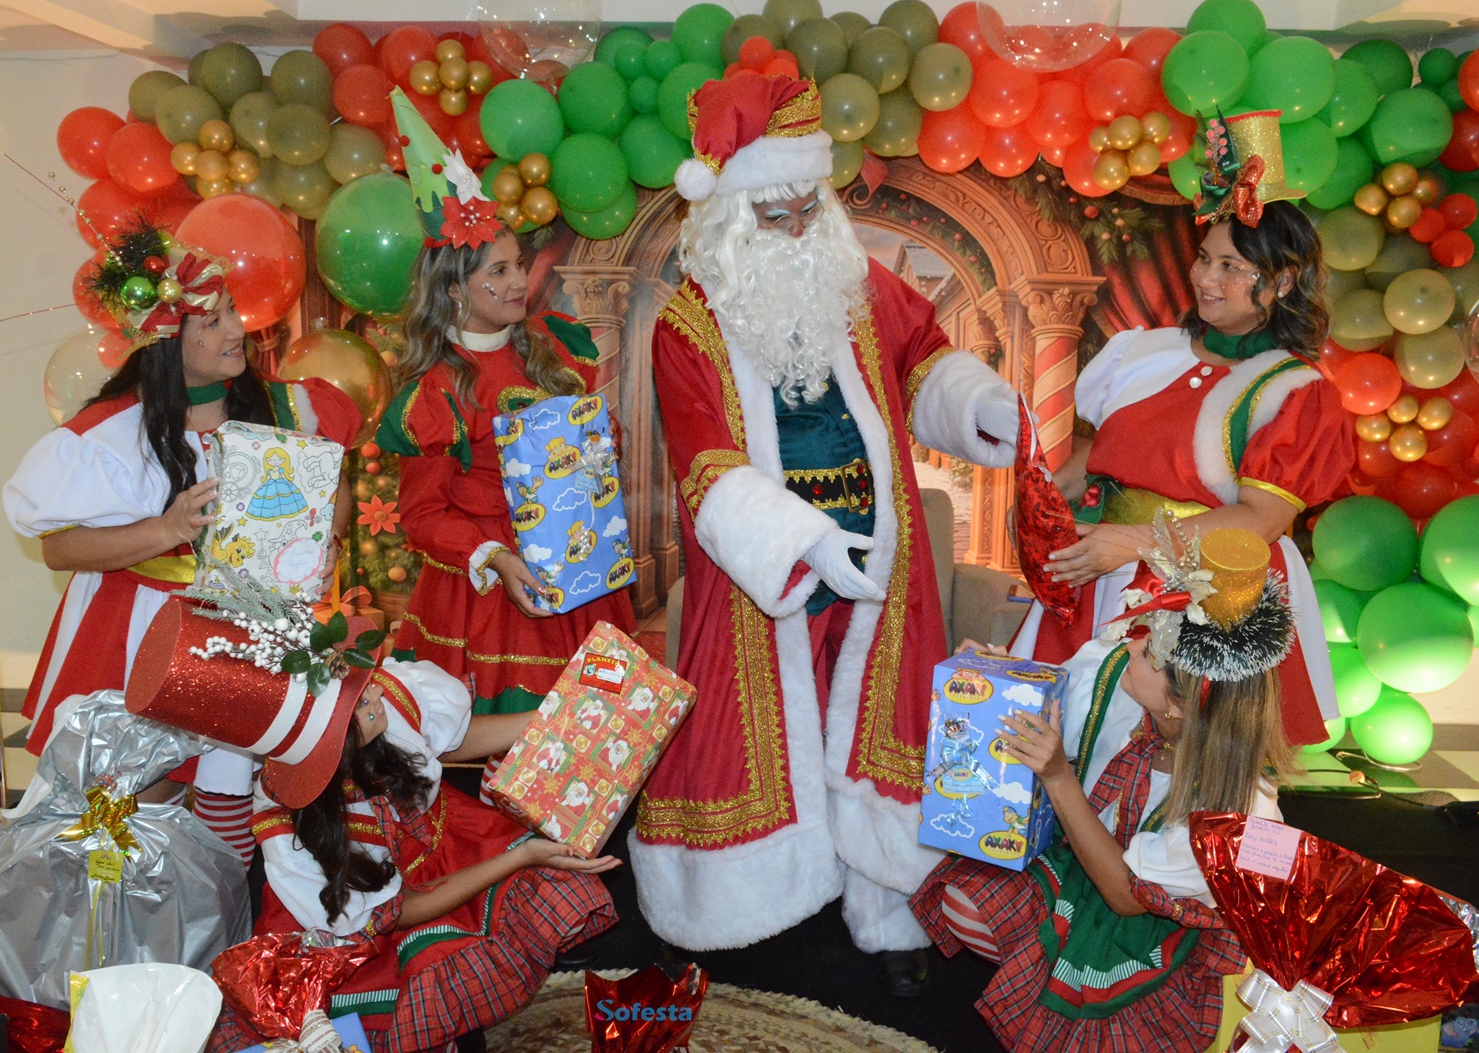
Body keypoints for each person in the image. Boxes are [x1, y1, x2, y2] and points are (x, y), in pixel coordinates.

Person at [630, 71, 1021, 993]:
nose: (802, 230)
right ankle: (749, 906)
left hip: (881, 564)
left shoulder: (859, 285)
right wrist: (800, 542)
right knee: (763, 733)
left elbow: (924, 359)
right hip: (766, 572)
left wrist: (977, 404)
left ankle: (890, 912)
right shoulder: (688, 324)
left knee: (883, 731)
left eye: (811, 208)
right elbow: (704, 463)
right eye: (777, 216)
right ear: (731, 216)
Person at [4, 221, 359, 859]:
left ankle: (225, 915)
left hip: (252, 626)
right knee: (132, 812)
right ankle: (131, 916)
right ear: (167, 339)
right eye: (213, 321)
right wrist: (166, 529)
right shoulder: (110, 434)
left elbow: (334, 484)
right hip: (142, 628)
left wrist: (327, 538)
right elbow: (58, 548)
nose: (236, 330)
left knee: (237, 799)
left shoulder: (289, 408)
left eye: (233, 313)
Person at [1010, 110, 1354, 747]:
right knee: (1064, 744)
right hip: (1102, 573)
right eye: (1203, 259)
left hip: (1213, 596)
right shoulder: (1143, 352)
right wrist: (1042, 507)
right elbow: (1101, 455)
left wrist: (1130, 543)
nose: (1205, 278)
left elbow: (1260, 521)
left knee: (1183, 760)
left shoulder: (1297, 392)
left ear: (1282, 281)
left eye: (1230, 266)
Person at [133, 604, 620, 1053]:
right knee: (404, 1016)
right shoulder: (300, 834)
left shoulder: (381, 708)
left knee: (531, 903)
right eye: (361, 700)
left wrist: (552, 716)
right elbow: (397, 911)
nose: (380, 691)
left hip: (436, 846)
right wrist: (518, 857)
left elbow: (444, 742)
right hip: (360, 921)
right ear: (331, 744)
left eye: (364, 686)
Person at [910, 523, 1299, 1051]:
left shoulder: (1240, 815)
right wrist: (1002, 680)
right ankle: (1038, 959)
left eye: (1149, 652)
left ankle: (1053, 974)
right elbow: (1054, 700)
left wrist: (1058, 776)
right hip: (1085, 853)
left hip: (1152, 917)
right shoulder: (1119, 677)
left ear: (1179, 706)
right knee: (966, 902)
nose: (1132, 645)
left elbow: (1126, 896)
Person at [373, 93, 635, 719]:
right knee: (515, 744)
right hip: (494, 597)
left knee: (596, 738)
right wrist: (493, 556)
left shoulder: (550, 346)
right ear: (453, 288)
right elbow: (422, 515)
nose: (518, 281)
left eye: (518, 265)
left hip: (580, 568)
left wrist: (596, 441)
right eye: (498, 271)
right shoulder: (438, 391)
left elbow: (602, 447)